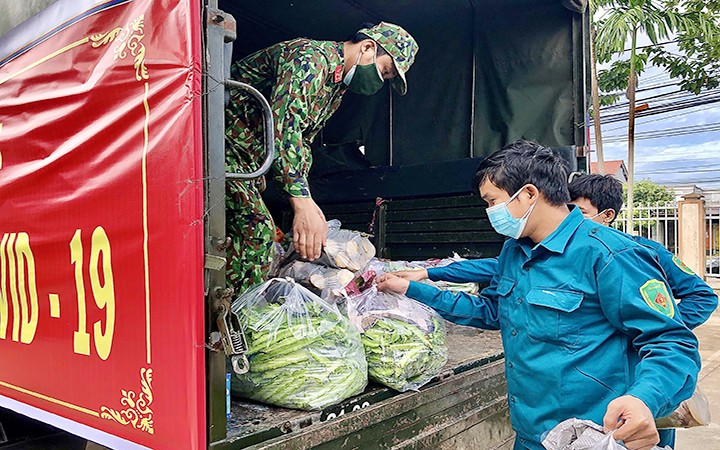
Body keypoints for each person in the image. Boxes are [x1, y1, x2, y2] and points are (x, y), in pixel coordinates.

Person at [376, 140, 700, 450]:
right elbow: (491, 311)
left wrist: (644, 398)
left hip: (594, 435)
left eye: (492, 201)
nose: (490, 212)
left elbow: (672, 342)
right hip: (531, 433)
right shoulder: (513, 251)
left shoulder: (609, 255)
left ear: (528, 194)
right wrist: (412, 289)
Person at [225, 22, 419, 292]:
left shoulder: (335, 86)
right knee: (256, 230)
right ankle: (238, 312)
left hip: (249, 159)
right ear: (367, 47)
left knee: (259, 232)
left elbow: (303, 141)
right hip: (222, 147)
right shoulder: (310, 60)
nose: (381, 81)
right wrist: (301, 202)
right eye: (385, 71)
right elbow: (286, 128)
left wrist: (307, 198)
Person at [401, 173, 719, 330]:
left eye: (579, 210)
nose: (570, 217)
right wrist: (425, 277)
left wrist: (650, 325)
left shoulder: (638, 252)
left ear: (606, 216)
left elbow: (700, 300)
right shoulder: (528, 250)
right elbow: (492, 276)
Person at [568, 173, 718, 330]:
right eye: (569, 211)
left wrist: (663, 328)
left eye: (580, 212)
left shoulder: (645, 251)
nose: (573, 219)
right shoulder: (559, 251)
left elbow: (702, 296)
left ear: (607, 215)